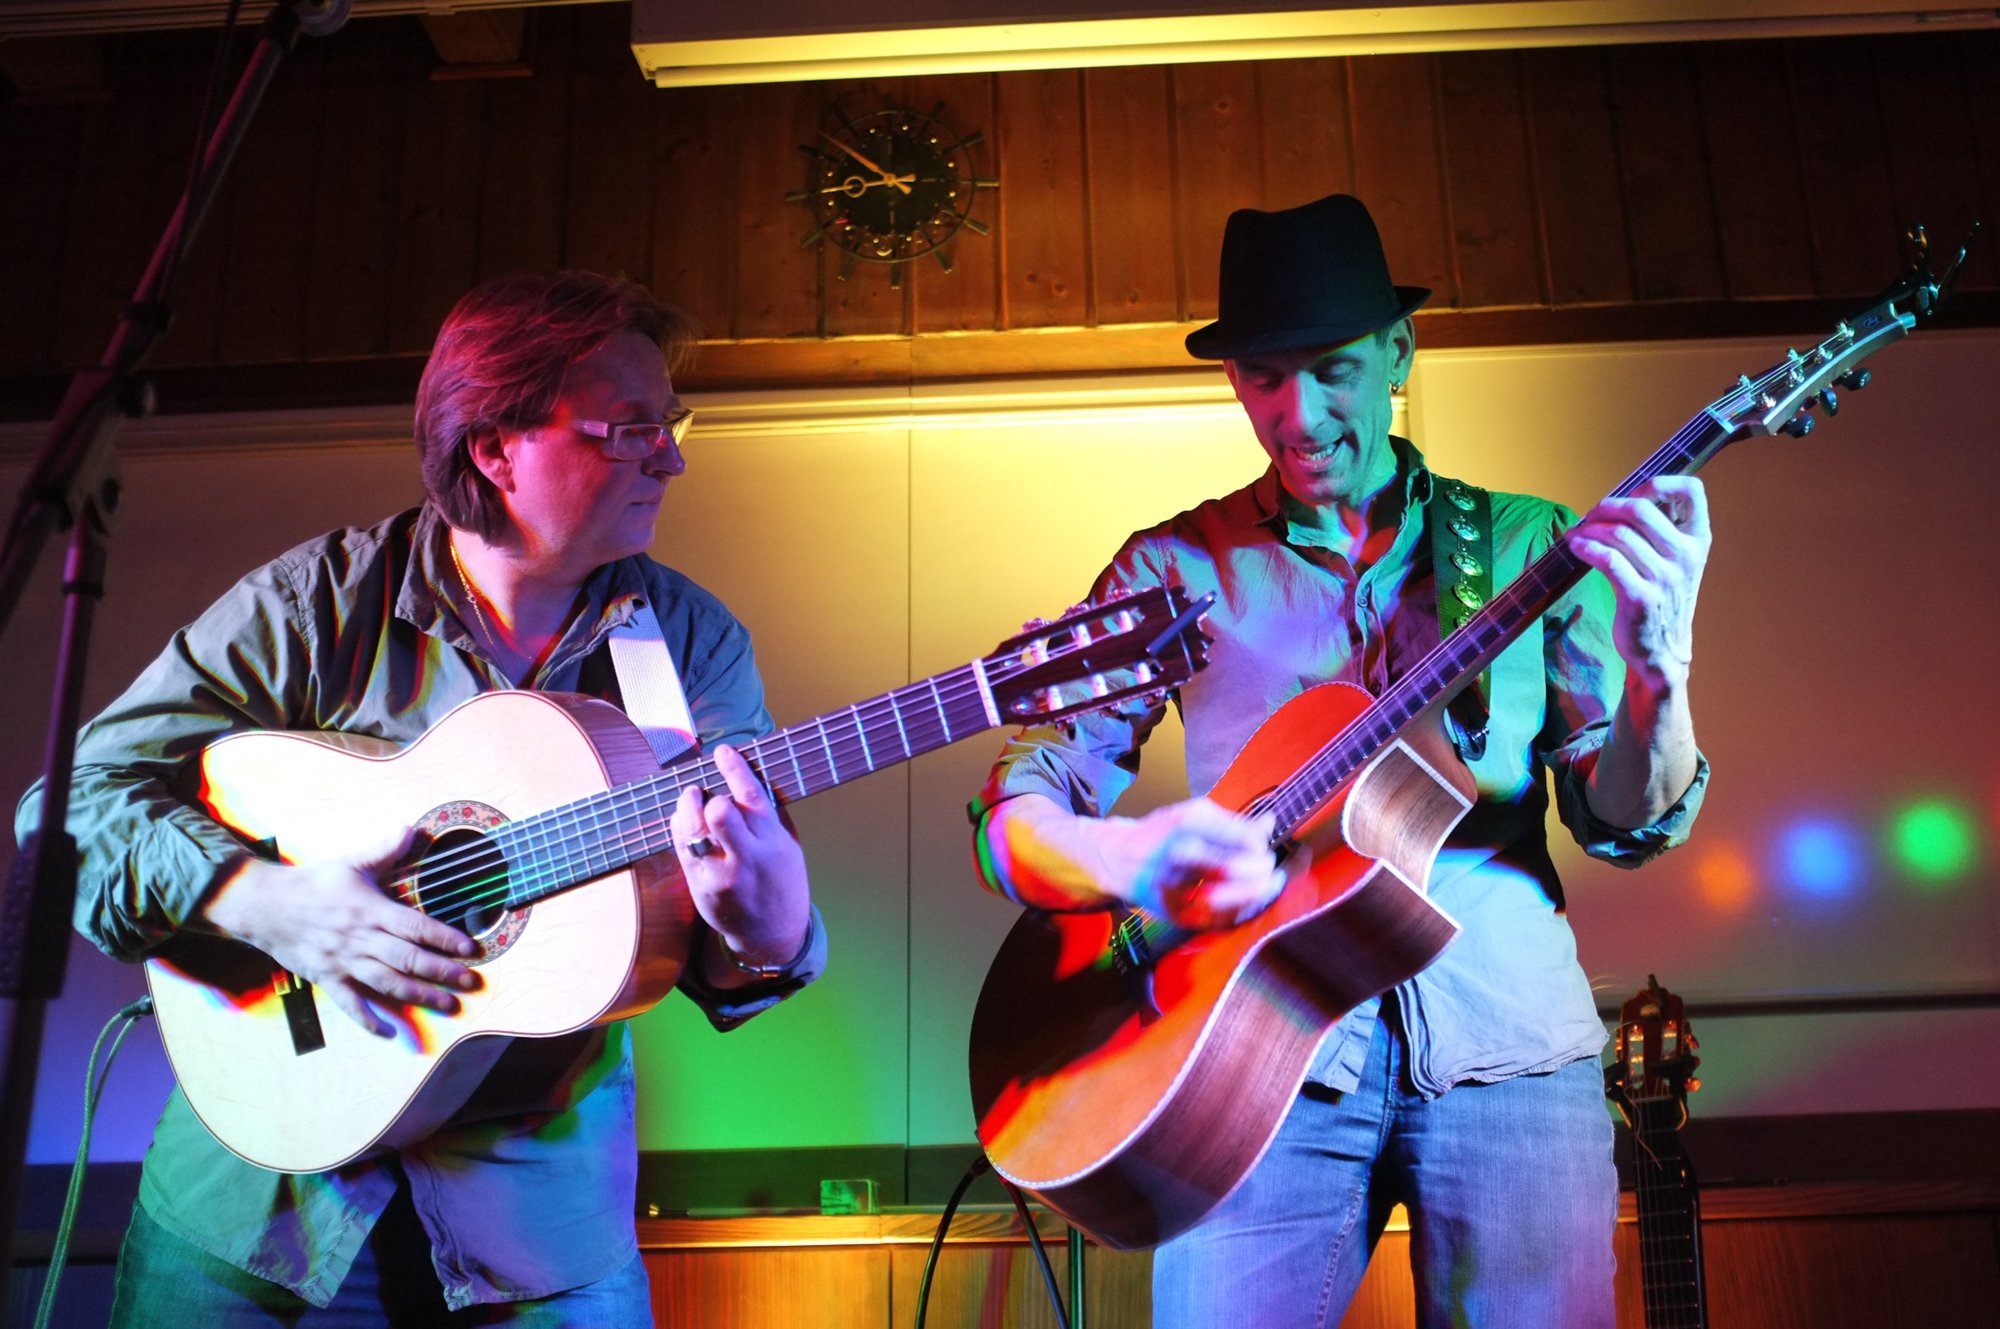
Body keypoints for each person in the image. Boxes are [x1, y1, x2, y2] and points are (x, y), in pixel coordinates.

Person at [18, 271, 824, 1325]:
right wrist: (270, 903)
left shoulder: (690, 647)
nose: (667, 456)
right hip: (256, 1207)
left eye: (669, 424)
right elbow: (69, 805)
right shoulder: (317, 603)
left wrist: (767, 928)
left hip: (536, 1235)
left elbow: (717, 947)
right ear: (495, 448)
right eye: (628, 428)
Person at [970, 194, 1710, 1327]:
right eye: (1263, 377)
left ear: (1397, 352)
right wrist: (1127, 859)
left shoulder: (1524, 546)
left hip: (1508, 1053)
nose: (1297, 414)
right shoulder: (1173, 567)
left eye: (1331, 371)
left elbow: (1622, 821)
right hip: (1248, 1064)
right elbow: (1019, 808)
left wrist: (1658, 677)